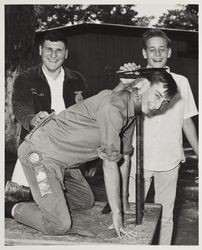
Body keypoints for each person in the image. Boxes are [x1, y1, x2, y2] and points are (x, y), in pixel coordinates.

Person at [5, 70, 178, 238]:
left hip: (64, 164)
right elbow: (110, 165)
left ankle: (31, 193)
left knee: (84, 202)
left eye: (165, 102)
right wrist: (117, 216)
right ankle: (10, 207)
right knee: (59, 224)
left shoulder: (132, 114)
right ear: (141, 85)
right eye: (157, 96)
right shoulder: (114, 107)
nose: (158, 106)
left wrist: (124, 202)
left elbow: (124, 159)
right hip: (39, 157)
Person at [115, 29, 198, 245]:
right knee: (132, 214)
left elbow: (187, 121)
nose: (157, 54)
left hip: (169, 160)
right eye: (152, 50)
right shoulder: (135, 81)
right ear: (144, 53)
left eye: (162, 49)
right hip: (137, 161)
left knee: (166, 216)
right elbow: (112, 107)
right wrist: (123, 82)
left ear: (169, 52)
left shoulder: (182, 82)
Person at [7, 30, 92, 211]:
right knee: (44, 197)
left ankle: (29, 196)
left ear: (66, 53)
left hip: (69, 152)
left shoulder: (77, 80)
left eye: (59, 50)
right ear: (40, 50)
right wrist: (32, 119)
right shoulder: (26, 78)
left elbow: (87, 113)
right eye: (49, 49)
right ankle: (19, 206)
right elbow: (20, 107)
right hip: (37, 150)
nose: (53, 55)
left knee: (82, 202)